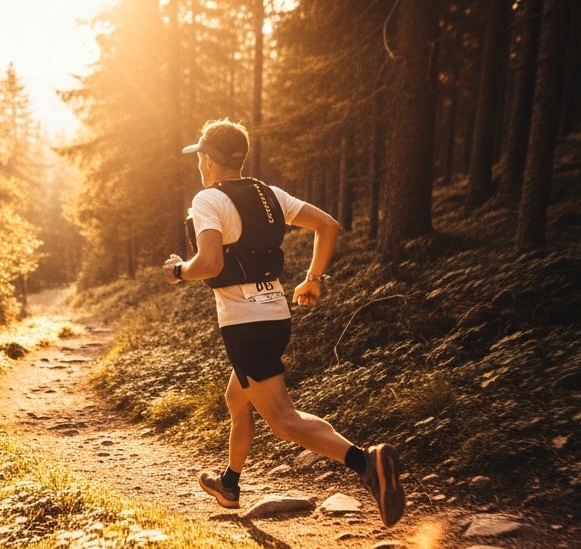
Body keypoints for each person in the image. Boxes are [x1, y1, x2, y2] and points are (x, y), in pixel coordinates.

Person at [162, 119, 406, 528]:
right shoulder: (269, 193)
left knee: (282, 419)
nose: (199, 165)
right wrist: (313, 278)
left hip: (245, 324)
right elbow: (328, 224)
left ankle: (368, 465)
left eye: (200, 157)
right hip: (276, 315)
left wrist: (177, 271)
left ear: (209, 159)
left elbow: (209, 264)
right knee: (237, 399)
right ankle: (230, 483)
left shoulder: (208, 199)